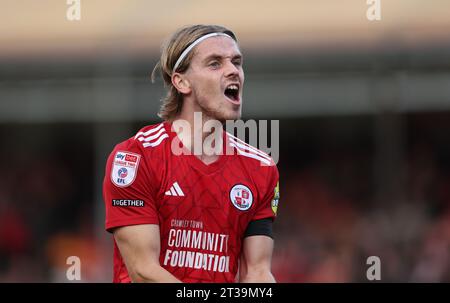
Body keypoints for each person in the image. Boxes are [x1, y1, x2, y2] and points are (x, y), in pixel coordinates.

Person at [103, 24, 280, 283]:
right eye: (215, 64)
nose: (233, 71)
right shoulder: (135, 157)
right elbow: (143, 271)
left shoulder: (261, 168)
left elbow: (258, 272)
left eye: (237, 62)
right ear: (181, 81)